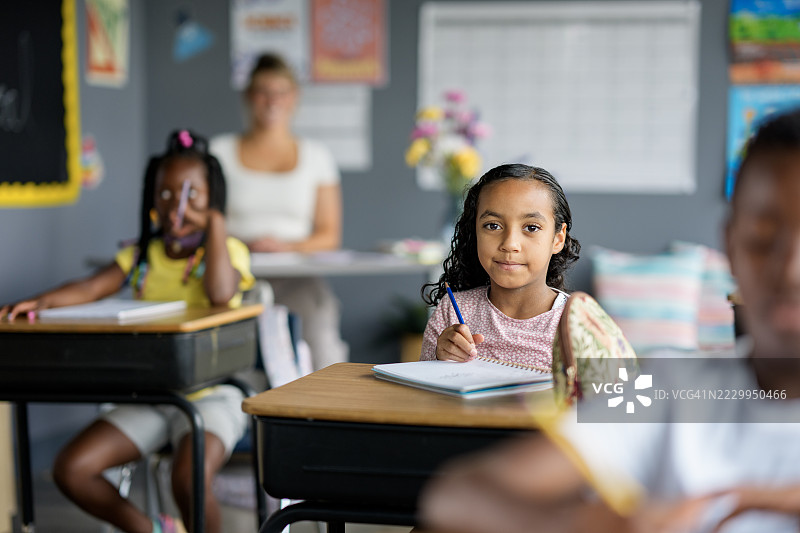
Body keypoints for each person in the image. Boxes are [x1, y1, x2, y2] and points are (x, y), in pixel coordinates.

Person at [418, 108, 800, 533]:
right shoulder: (671, 387)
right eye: (765, 238)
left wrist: (751, 500)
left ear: (556, 236)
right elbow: (457, 495)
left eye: (530, 228)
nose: (791, 271)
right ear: (730, 242)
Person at [1, 130, 255, 533]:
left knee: (187, 477)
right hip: (152, 396)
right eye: (166, 195)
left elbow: (222, 294)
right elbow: (89, 288)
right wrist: (41, 302)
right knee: (72, 468)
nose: (177, 207)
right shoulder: (142, 256)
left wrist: (217, 224)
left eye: (193, 196)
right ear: (152, 200)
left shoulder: (228, 253)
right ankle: (152, 530)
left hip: (213, 394)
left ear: (214, 202)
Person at [210, 53, 347, 372]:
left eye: (281, 92)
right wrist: (243, 245)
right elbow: (207, 225)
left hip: (299, 279)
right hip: (234, 280)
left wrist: (285, 248)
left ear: (294, 98)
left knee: (323, 348)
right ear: (248, 97)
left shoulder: (317, 156)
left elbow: (329, 235)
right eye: (262, 91)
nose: (272, 101)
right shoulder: (220, 152)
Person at [420, 163, 580, 369]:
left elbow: (602, 397)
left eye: (531, 227)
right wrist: (439, 358)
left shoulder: (577, 323)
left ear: (558, 239)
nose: (509, 244)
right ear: (475, 232)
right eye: (493, 226)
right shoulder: (452, 311)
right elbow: (424, 396)